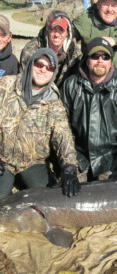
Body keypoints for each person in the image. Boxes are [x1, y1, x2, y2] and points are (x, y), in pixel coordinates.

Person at [60, 37, 117, 188]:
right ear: (87, 60)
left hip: (112, 159)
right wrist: (69, 165)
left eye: (105, 57)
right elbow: (61, 127)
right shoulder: (70, 86)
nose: (100, 60)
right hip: (80, 157)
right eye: (95, 56)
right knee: (66, 194)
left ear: (111, 62)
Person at [0, 48, 81, 199]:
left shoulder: (54, 102)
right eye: (39, 64)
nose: (43, 70)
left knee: (48, 199)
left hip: (33, 162)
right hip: (2, 160)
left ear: (54, 73)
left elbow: (63, 136)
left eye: (49, 67)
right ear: (31, 64)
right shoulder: (5, 85)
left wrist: (69, 168)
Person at [20, 10, 82, 89]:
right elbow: (23, 80)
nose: (56, 34)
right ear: (47, 30)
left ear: (67, 33)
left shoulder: (75, 54)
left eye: (61, 30)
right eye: (53, 29)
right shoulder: (30, 51)